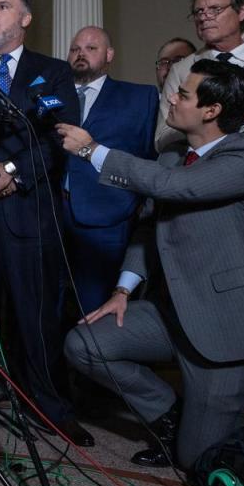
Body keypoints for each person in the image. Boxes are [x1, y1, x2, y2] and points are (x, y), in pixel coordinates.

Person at [59, 60, 244, 471]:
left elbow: (177, 188)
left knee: (197, 464)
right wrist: (122, 291)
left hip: (225, 332)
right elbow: (149, 223)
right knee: (85, 344)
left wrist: (90, 149)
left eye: (184, 94)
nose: (171, 97)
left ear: (212, 111)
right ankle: (168, 412)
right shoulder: (174, 155)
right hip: (171, 313)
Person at [0, 0, 92, 446]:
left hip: (30, 213)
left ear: (25, 19)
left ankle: (50, 407)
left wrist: (12, 171)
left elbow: (60, 137)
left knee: (38, 316)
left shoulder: (51, 73)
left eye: (3, 7)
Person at [63, 26, 158, 314]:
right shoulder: (49, 96)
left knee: (96, 311)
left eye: (91, 48)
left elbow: (148, 157)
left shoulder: (140, 98)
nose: (81, 54)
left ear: (109, 55)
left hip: (109, 219)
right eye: (75, 49)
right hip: (51, 216)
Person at [157, 0, 244, 152]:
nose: (204, 17)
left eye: (215, 9)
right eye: (199, 11)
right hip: (208, 169)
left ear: (242, 11)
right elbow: (161, 139)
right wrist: (216, 120)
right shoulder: (182, 69)